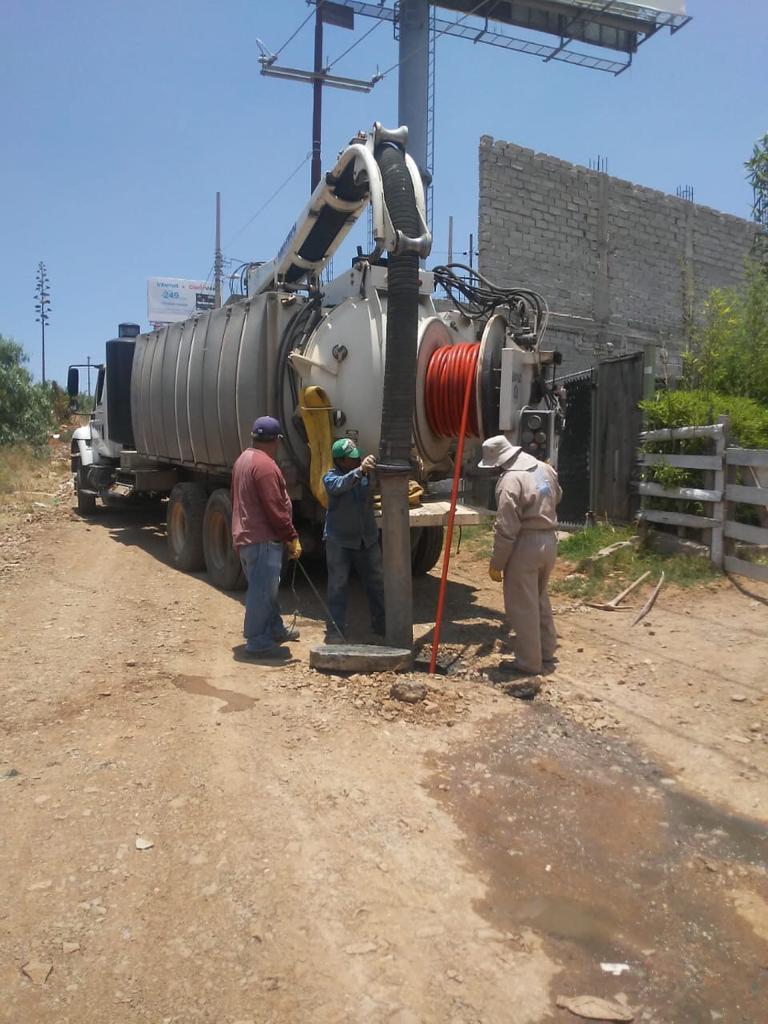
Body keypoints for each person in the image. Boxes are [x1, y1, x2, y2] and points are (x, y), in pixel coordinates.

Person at [479, 435, 562, 675]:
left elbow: (506, 528)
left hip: (525, 545)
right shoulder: (544, 468)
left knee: (522, 606)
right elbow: (558, 495)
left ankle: (528, 662)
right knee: (539, 598)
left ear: (497, 462)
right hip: (549, 540)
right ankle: (546, 651)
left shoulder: (510, 480)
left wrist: (497, 563)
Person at [231, 416, 301, 657]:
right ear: (277, 440)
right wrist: (291, 536)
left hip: (249, 538)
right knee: (261, 592)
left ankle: (274, 628)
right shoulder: (265, 466)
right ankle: (257, 641)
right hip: (261, 540)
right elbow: (274, 507)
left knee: (267, 589)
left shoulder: (244, 459)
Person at [322, 437, 386, 642]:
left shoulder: (365, 473)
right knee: (337, 586)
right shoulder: (331, 478)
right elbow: (339, 485)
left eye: (358, 456)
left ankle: (382, 625)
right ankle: (335, 631)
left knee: (376, 583)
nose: (357, 459)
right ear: (340, 461)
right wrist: (360, 471)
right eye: (352, 458)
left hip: (366, 538)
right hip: (339, 540)